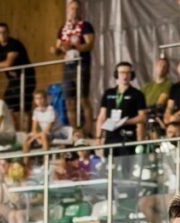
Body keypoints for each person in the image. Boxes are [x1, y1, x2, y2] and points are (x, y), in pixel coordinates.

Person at [52, 0, 95, 130]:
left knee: (83, 98)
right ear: (68, 10)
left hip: (81, 65)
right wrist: (56, 50)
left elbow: (89, 45)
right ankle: (74, 130)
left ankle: (87, 128)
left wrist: (74, 46)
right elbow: (59, 47)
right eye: (71, 9)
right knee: (69, 100)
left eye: (76, 9)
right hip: (67, 66)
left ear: (81, 11)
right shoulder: (63, 28)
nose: (74, 11)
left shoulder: (85, 26)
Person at [0, 22, 35, 130]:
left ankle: (27, 133)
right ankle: (17, 132)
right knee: (9, 106)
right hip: (13, 81)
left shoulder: (14, 44)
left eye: (4, 32)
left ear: (8, 33)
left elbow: (8, 63)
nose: (2, 35)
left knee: (24, 108)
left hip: (26, 78)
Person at [96, 62, 147, 160]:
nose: (125, 76)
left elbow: (143, 117)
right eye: (122, 73)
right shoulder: (108, 93)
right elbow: (101, 116)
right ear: (116, 74)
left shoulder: (137, 94)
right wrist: (98, 136)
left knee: (126, 167)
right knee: (110, 167)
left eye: (128, 73)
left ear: (132, 75)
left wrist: (124, 122)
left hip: (128, 136)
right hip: (111, 136)